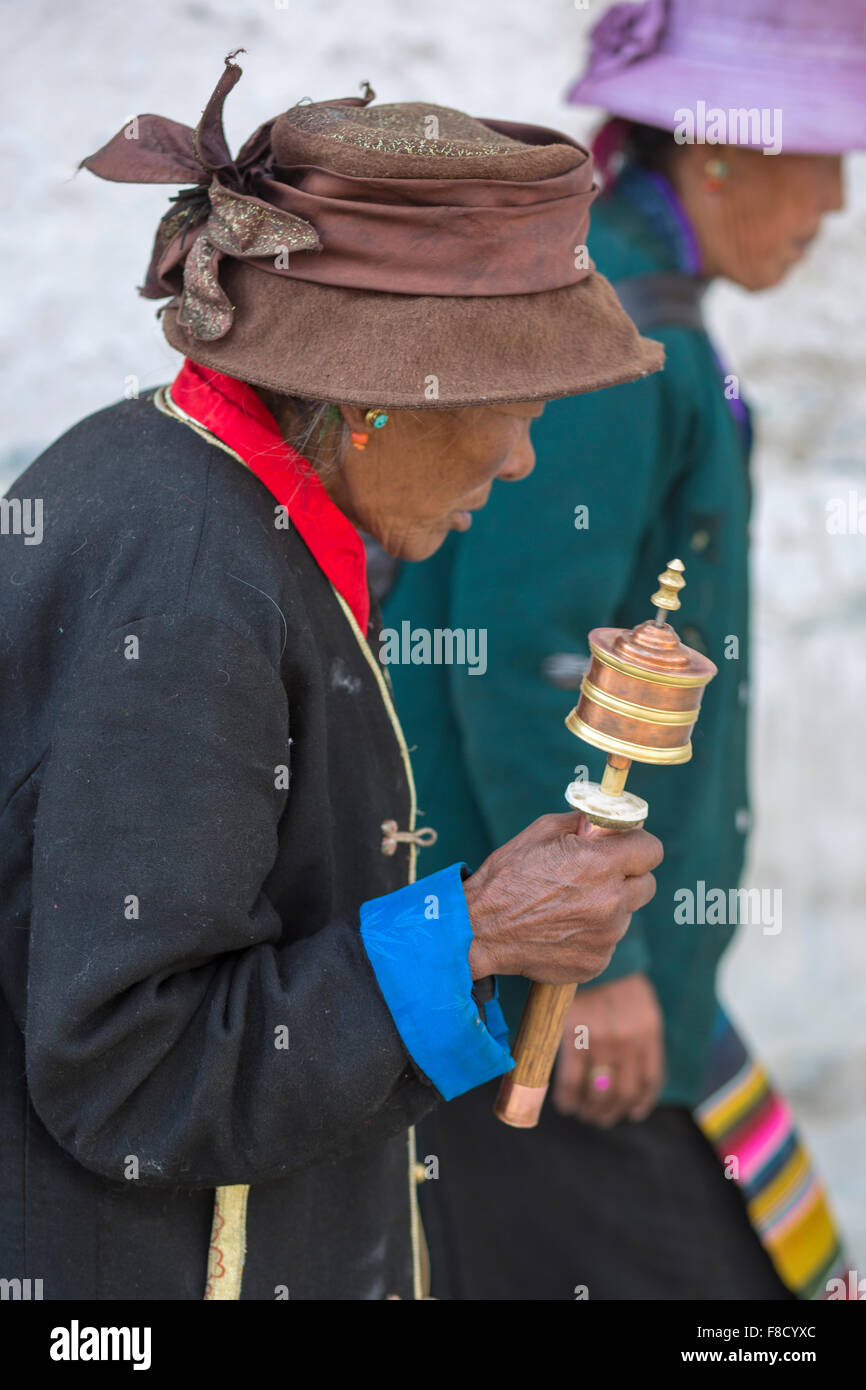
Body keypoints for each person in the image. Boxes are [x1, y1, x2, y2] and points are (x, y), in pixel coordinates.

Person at [0, 56, 667, 1301]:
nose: (523, 460)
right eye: (512, 404)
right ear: (372, 402)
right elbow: (133, 1070)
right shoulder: (190, 579)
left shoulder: (188, 484)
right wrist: (471, 931)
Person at [384, 0, 863, 1299]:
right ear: (721, 151)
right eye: (822, 154)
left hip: (602, 963)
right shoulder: (613, 342)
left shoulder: (647, 315)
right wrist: (589, 973)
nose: (831, 199)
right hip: (546, 996)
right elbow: (531, 658)